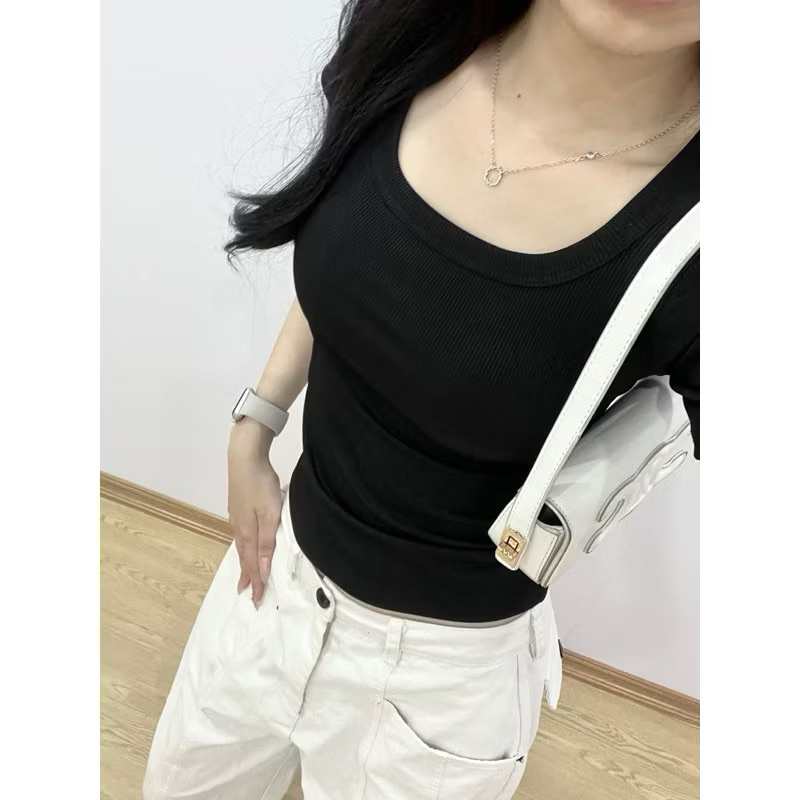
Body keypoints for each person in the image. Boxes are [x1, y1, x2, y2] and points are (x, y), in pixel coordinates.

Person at [143, 0, 700, 797]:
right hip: (270, 581)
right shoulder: (415, 33)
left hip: (439, 688)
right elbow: (357, 264)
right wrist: (256, 423)